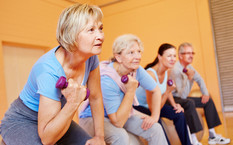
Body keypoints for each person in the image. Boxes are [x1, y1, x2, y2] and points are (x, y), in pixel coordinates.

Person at [0, 3, 105, 145]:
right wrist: (73, 102)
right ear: (71, 34)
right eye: (91, 30)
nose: (100, 36)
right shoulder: (48, 70)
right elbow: (47, 139)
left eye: (100, 28)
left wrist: (100, 137)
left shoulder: (91, 57)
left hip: (56, 117)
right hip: (23, 120)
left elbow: (96, 97)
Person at [79, 34, 168, 145]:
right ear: (118, 57)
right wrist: (130, 91)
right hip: (93, 117)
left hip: (120, 113)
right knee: (121, 137)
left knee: (155, 128)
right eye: (131, 53)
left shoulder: (136, 69)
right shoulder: (107, 79)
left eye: (139, 51)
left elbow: (156, 90)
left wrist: (155, 116)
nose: (138, 56)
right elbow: (118, 122)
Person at [170, 42, 231, 145]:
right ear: (180, 55)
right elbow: (182, 95)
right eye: (188, 53)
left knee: (208, 101)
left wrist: (205, 93)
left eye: (192, 53)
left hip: (182, 97)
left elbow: (199, 79)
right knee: (189, 102)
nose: (191, 55)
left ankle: (212, 135)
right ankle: (193, 140)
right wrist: (189, 78)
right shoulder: (176, 70)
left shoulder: (189, 67)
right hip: (174, 98)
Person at [134, 43, 192, 145]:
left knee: (179, 114)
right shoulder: (150, 75)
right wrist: (167, 92)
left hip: (154, 104)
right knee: (157, 122)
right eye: (169, 56)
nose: (173, 59)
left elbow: (166, 89)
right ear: (159, 57)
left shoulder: (167, 71)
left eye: (174, 56)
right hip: (140, 106)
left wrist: (175, 105)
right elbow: (153, 109)